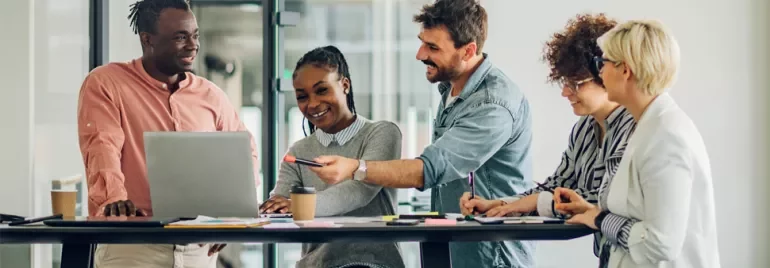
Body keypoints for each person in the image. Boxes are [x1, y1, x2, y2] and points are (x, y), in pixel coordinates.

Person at [307, 0, 535, 267]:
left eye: (433, 47)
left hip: (490, 257)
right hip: (451, 248)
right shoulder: (452, 89)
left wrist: (355, 168)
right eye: (422, 42)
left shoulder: (492, 104)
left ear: (468, 50)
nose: (420, 54)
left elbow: (427, 170)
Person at [77, 0, 259, 267]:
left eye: (195, 35)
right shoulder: (107, 83)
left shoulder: (211, 95)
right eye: (180, 37)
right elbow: (102, 148)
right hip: (133, 247)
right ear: (148, 39)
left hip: (200, 248)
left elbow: (245, 153)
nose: (193, 45)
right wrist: (114, 200)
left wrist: (231, 216)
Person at [554, 20, 720, 268]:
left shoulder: (666, 136)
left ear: (625, 70)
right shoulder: (646, 126)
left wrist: (600, 219)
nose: (599, 72)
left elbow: (660, 243)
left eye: (603, 63)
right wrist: (591, 212)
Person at [459, 12, 633, 233]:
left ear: (606, 74)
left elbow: (606, 201)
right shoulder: (584, 129)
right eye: (564, 82)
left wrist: (532, 203)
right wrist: (506, 204)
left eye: (576, 83)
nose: (565, 92)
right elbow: (558, 186)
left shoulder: (634, 129)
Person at [259, 46, 405, 268]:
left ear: (344, 85)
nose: (313, 103)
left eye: (322, 90)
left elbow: (359, 191)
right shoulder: (298, 152)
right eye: (302, 96)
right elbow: (279, 206)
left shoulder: (382, 133)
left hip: (372, 262)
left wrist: (295, 206)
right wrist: (275, 207)